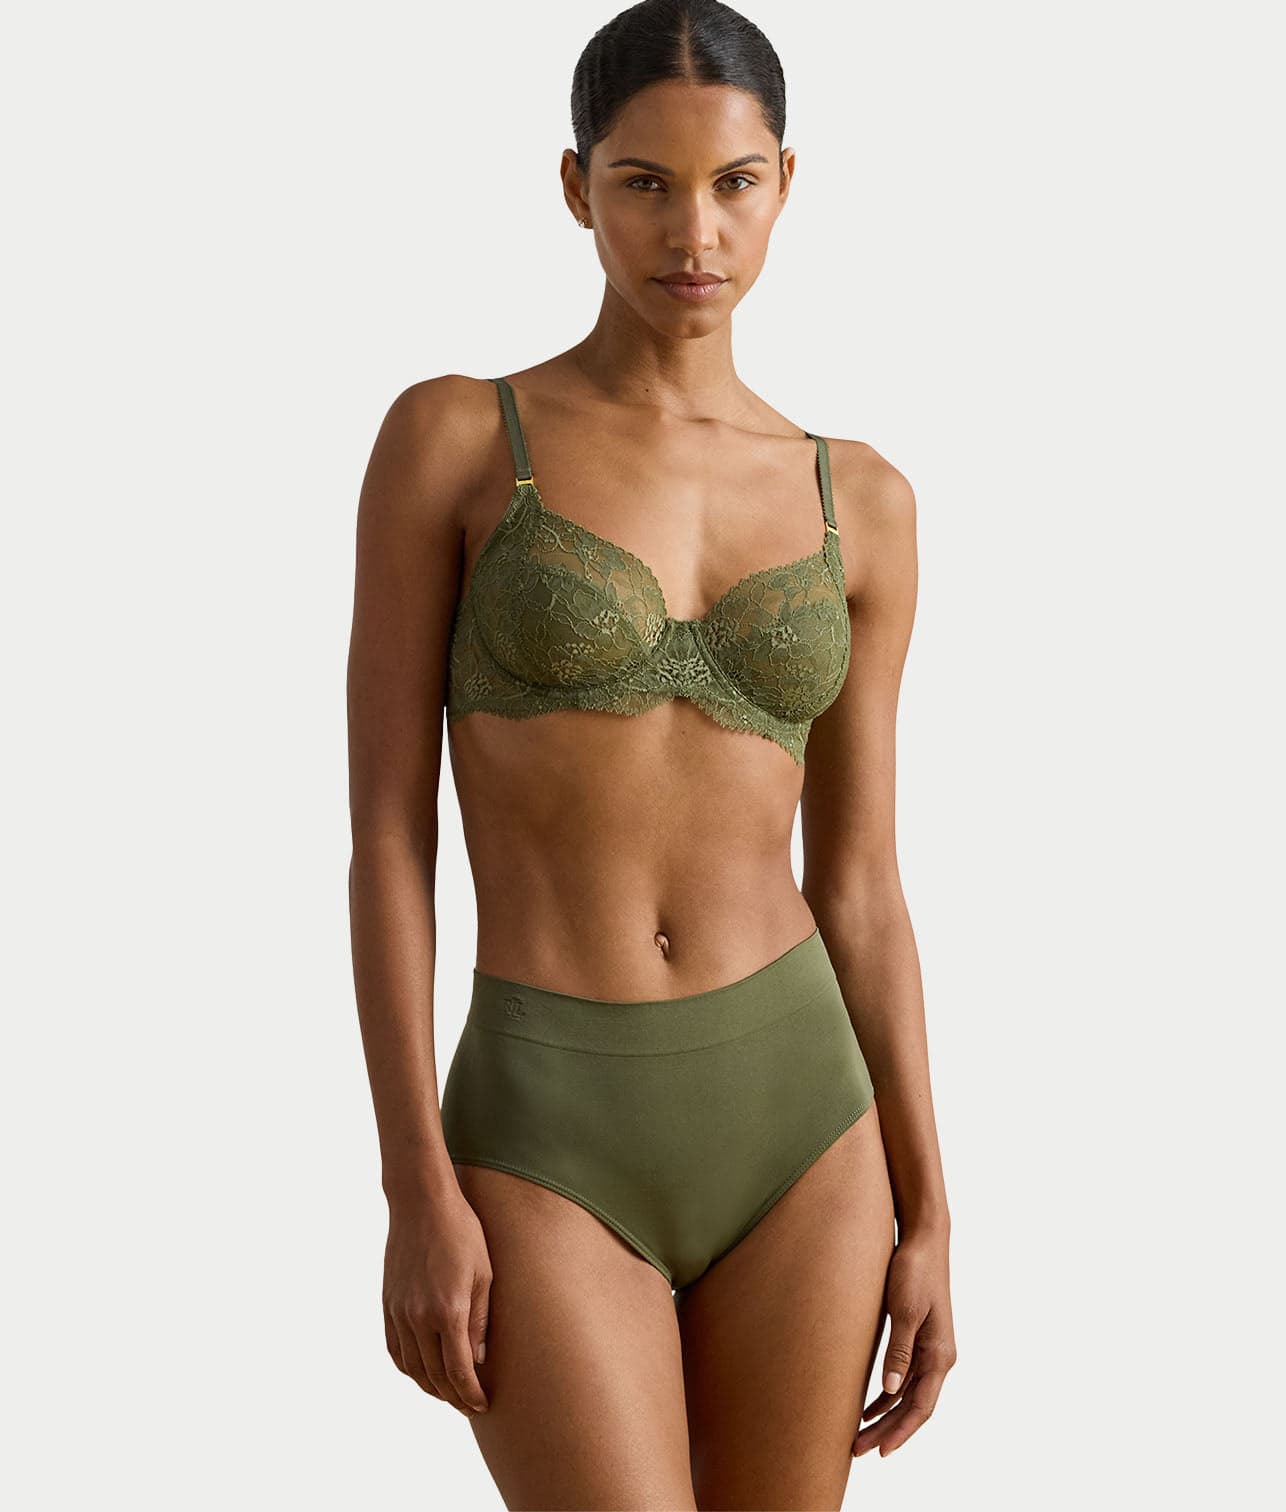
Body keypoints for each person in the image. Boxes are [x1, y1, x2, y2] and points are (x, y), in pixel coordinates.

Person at [346, 1, 955, 1506]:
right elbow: (388, 843)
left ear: (786, 183)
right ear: (576, 187)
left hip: (804, 1119)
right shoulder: (458, 441)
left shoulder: (861, 501)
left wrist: (932, 1206)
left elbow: (862, 884)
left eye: (734, 183)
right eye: (644, 183)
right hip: (545, 1118)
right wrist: (413, 1180)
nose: (694, 231)